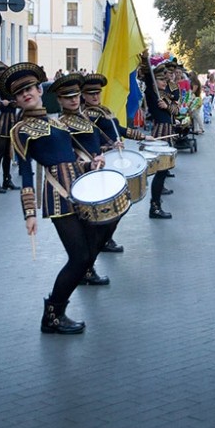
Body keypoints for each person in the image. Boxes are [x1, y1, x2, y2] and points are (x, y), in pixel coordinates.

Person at [3, 62, 105, 335]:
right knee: (79, 257)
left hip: (80, 191)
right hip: (57, 195)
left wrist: (92, 163)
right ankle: (53, 314)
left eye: (29, 88)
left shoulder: (57, 122)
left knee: (88, 252)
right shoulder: (20, 130)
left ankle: (55, 312)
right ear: (16, 100)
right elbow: (26, 173)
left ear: (39, 90)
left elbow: (71, 158)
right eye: (19, 93)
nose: (26, 94)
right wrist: (29, 214)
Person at [52, 73, 115, 284]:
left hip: (94, 174)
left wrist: (107, 147)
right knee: (90, 229)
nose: (73, 100)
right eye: (67, 97)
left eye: (76, 95)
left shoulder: (84, 117)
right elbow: (66, 155)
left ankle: (87, 268)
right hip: (79, 179)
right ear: (59, 100)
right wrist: (88, 163)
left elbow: (94, 143)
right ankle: (86, 271)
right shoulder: (61, 124)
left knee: (105, 223)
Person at [81, 72, 151, 254]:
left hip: (113, 162)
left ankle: (105, 238)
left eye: (97, 93)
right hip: (101, 164)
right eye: (90, 94)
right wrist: (108, 146)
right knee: (111, 205)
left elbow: (119, 129)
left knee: (120, 205)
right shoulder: (86, 116)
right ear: (83, 95)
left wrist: (143, 136)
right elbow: (88, 145)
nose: (95, 96)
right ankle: (99, 241)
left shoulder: (104, 110)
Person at [142, 60, 176, 219]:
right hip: (160, 132)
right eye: (161, 79)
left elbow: (176, 110)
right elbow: (148, 77)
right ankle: (155, 207)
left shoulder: (165, 95)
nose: (165, 82)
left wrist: (167, 106)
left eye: (165, 79)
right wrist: (145, 59)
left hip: (168, 131)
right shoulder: (152, 92)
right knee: (160, 171)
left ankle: (156, 202)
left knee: (163, 171)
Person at [0, 63, 20, 193]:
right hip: (2, 123)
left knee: (8, 154)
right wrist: (1, 103)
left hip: (13, 122)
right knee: (0, 153)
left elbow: (18, 102)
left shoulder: (12, 88)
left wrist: (12, 103)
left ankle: (7, 180)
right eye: (0, 76)